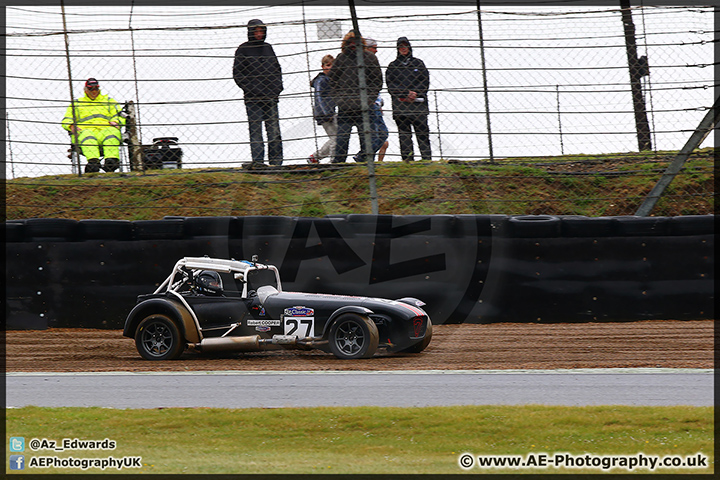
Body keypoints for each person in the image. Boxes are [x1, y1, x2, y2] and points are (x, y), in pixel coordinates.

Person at [233, 19, 283, 166]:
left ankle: (276, 163)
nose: (259, 34)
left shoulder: (268, 48)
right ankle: (258, 163)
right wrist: (253, 90)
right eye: (256, 31)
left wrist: (277, 89)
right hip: (253, 99)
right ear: (250, 32)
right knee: (256, 132)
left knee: (274, 131)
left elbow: (277, 69)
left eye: (261, 31)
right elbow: (238, 74)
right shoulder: (242, 50)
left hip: (271, 97)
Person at [327, 30, 383, 164]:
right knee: (342, 139)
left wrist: (369, 100)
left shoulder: (369, 58)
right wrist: (339, 100)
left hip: (364, 107)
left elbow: (377, 81)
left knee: (366, 139)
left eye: (355, 43)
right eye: (350, 43)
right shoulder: (341, 58)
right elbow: (332, 80)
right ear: (345, 44)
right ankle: (338, 165)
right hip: (345, 107)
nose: (353, 46)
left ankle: (366, 165)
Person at [61, 78, 125, 173]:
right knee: (87, 136)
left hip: (105, 128)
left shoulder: (109, 101)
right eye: (91, 89)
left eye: (96, 88)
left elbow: (120, 115)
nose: (94, 91)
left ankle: (111, 161)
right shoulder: (77, 103)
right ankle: (93, 162)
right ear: (86, 90)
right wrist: (71, 126)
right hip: (85, 130)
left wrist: (116, 122)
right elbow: (67, 119)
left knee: (112, 133)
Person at [385, 36, 431, 162]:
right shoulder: (392, 67)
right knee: (404, 136)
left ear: (409, 47)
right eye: (401, 46)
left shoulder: (418, 64)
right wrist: (406, 93)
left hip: (419, 107)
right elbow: (391, 86)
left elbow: (425, 82)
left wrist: (416, 93)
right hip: (401, 108)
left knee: (423, 135)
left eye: (405, 46)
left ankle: (427, 160)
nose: (403, 49)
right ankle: (408, 161)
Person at [353, 38, 389, 163]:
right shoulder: (361, 64)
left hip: (376, 104)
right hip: (369, 105)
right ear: (367, 48)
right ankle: (365, 158)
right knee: (374, 136)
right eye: (373, 47)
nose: (376, 50)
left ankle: (364, 157)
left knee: (383, 134)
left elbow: (376, 83)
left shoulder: (372, 62)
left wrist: (379, 101)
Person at [308, 55, 337, 164]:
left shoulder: (330, 80)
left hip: (330, 112)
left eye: (332, 65)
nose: (330, 68)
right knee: (335, 138)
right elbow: (319, 98)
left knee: (335, 137)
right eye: (328, 65)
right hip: (324, 114)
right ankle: (334, 161)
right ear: (322, 66)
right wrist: (326, 113)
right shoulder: (321, 80)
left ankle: (315, 157)